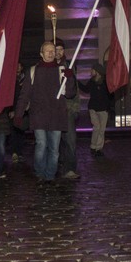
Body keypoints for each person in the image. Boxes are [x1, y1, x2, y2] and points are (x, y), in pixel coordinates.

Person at [14, 42, 76, 184]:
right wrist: (19, 113)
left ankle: (50, 175)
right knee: (41, 145)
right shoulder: (33, 71)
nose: (50, 53)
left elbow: (71, 93)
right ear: (41, 54)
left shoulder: (62, 70)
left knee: (54, 149)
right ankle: (40, 173)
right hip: (39, 115)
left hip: (57, 115)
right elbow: (25, 95)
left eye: (52, 51)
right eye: (47, 51)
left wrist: (70, 78)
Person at [55, 38, 80, 180]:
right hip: (54, 109)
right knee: (56, 141)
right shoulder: (48, 66)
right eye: (55, 49)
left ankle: (70, 168)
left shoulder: (69, 65)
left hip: (68, 108)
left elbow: (73, 89)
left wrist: (75, 109)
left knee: (70, 139)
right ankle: (58, 165)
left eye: (60, 49)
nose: (58, 52)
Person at [79, 63, 111, 157]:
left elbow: (110, 95)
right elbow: (85, 89)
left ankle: (98, 148)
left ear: (97, 71)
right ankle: (93, 146)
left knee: (102, 130)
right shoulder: (92, 81)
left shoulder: (105, 82)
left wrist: (109, 106)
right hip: (93, 108)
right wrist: (76, 82)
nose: (91, 71)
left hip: (103, 109)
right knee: (96, 127)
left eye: (92, 69)